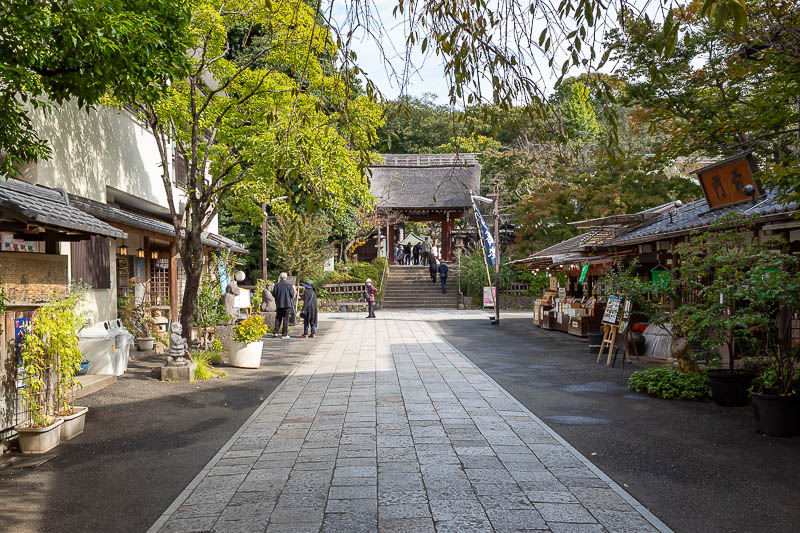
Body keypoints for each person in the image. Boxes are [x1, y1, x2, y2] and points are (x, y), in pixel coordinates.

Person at [272, 272, 295, 338]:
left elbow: (273, 294)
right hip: (287, 304)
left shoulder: (276, 285)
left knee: (278, 318)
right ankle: (284, 334)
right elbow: (292, 294)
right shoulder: (289, 285)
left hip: (279, 304)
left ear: (280, 277)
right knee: (286, 319)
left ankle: (275, 332)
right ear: (286, 277)